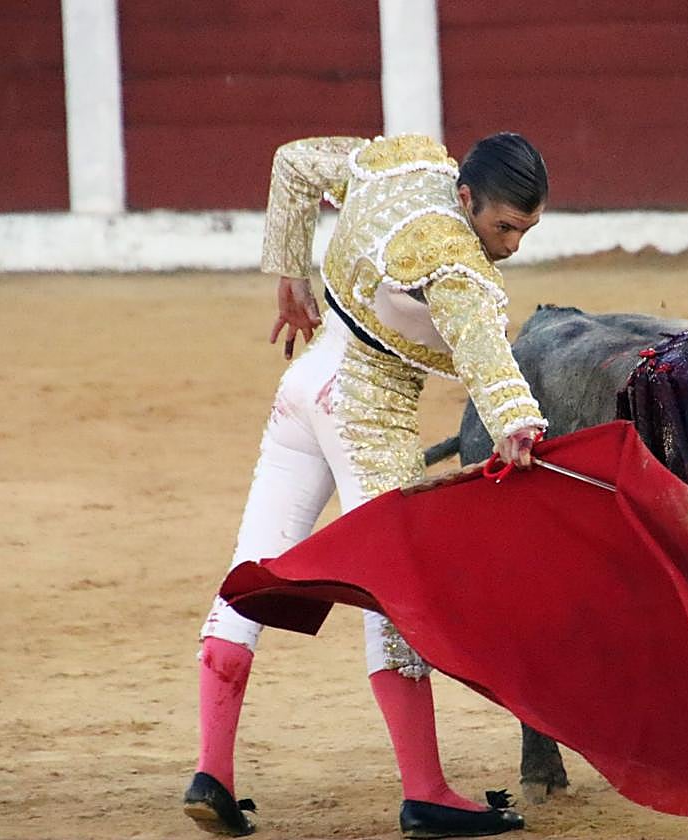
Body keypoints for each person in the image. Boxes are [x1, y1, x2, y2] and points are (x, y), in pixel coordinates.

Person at [182, 132, 549, 838]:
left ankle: (212, 774)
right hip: (366, 419)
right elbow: (483, 348)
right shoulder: (458, 266)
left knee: (249, 572)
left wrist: (289, 275)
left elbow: (292, 162)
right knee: (398, 597)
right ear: (467, 198)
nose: (511, 246)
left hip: (304, 388)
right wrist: (518, 424)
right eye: (504, 227)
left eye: (526, 230)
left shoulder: (403, 163)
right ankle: (427, 791)